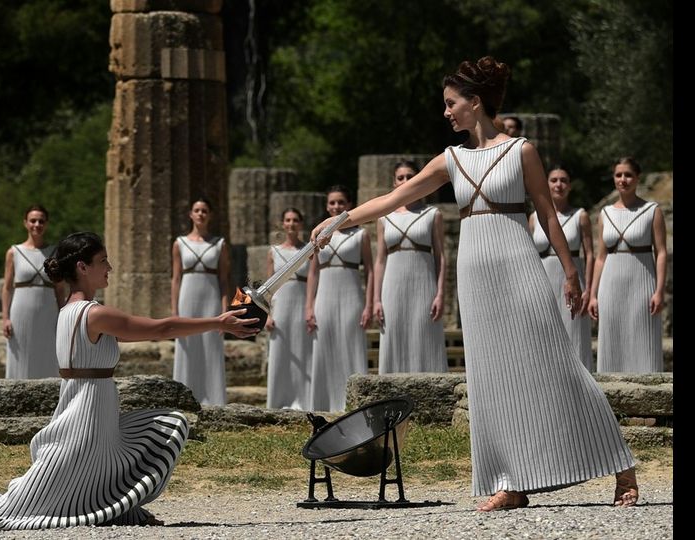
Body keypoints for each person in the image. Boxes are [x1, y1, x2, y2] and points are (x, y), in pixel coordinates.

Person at [311, 56, 638, 511]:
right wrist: (340, 221)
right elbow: (393, 199)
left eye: (451, 103)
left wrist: (569, 271)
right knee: (492, 377)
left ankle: (621, 466)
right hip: (476, 272)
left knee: (557, 363)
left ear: (475, 103)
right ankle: (511, 480)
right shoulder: (451, 160)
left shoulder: (521, 150)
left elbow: (545, 211)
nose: (445, 112)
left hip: (518, 262)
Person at [0, 232, 258, 534]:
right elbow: (162, 328)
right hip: (81, 420)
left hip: (94, 411)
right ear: (82, 267)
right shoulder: (92, 314)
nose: (110, 267)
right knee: (7, 511)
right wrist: (219, 322)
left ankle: (116, 507)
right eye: (102, 261)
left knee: (130, 448)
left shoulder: (69, 311)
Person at [588, 157, 667, 373]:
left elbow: (660, 253)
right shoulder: (605, 213)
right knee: (612, 338)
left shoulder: (652, 211)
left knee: (644, 337)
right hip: (610, 285)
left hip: (642, 283)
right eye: (618, 175)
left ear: (637, 178)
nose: (623, 179)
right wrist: (593, 294)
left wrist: (659, 291)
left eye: (628, 175)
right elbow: (601, 257)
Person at [373, 160, 448, 373]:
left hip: (424, 285)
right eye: (400, 177)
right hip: (392, 287)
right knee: (393, 336)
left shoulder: (432, 214)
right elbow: (380, 260)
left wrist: (440, 293)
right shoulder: (385, 218)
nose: (406, 181)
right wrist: (376, 299)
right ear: (394, 182)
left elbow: (440, 257)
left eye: (410, 176)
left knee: (425, 335)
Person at [306, 185, 373, 412]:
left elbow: (371, 270)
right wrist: (309, 306)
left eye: (341, 202)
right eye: (332, 203)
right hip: (324, 298)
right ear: (327, 206)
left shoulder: (360, 235)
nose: (336, 206)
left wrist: (369, 304)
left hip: (352, 297)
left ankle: (354, 404)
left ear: (349, 205)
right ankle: (323, 404)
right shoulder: (320, 236)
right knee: (324, 347)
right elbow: (313, 273)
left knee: (351, 345)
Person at [528, 165, 595, 370]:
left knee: (574, 337)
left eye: (564, 180)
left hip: (572, 282)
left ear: (570, 186)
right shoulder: (534, 218)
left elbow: (590, 254)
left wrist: (589, 290)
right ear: (546, 184)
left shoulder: (580, 216)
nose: (559, 184)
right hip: (543, 282)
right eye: (554, 180)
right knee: (544, 339)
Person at [171, 197, 231, 405]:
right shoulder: (180, 243)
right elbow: (176, 278)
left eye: (204, 210)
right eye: (197, 210)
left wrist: (225, 311)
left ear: (210, 215)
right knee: (187, 344)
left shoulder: (219, 244)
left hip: (211, 296)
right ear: (191, 214)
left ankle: (213, 399)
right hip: (187, 296)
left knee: (211, 345)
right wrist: (174, 312)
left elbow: (224, 280)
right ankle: (184, 396)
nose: (200, 214)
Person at [2, 204, 69, 379]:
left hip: (47, 310)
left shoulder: (54, 253)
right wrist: (5, 318)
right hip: (20, 311)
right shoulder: (14, 252)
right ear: (25, 223)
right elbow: (7, 288)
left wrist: (63, 315)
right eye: (33, 221)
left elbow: (60, 288)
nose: (37, 225)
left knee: (47, 354)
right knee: (20, 355)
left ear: (46, 224)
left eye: (41, 221)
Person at [265, 208, 313, 410]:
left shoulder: (309, 250)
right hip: (280, 305)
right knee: (280, 351)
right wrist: (267, 314)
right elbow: (267, 286)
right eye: (288, 220)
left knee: (303, 351)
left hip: (301, 303)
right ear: (283, 224)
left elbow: (313, 281)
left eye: (295, 220)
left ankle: (303, 400)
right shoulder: (274, 252)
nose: (292, 224)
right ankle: (278, 400)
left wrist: (311, 308)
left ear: (300, 224)